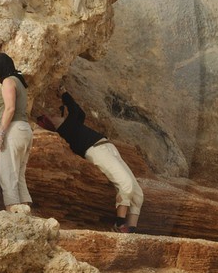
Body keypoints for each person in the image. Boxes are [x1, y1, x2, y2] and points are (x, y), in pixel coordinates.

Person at [36, 84, 144, 233]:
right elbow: (76, 111)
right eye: (51, 116)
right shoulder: (66, 130)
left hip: (107, 147)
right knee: (126, 185)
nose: (54, 114)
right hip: (96, 150)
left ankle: (131, 230)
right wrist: (64, 94)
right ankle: (119, 225)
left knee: (138, 194)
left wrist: (64, 99)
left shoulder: (71, 125)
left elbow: (80, 114)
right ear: (51, 123)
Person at [0, 52, 34, 214]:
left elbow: (10, 108)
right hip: (24, 130)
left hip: (13, 131)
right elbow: (13, 110)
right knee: (19, 177)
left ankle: (13, 217)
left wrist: (1, 133)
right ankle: (27, 218)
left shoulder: (8, 82)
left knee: (8, 177)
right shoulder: (19, 81)